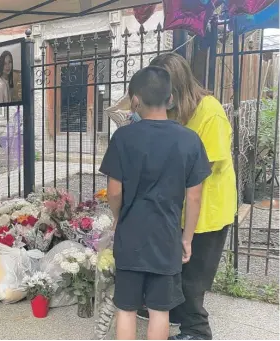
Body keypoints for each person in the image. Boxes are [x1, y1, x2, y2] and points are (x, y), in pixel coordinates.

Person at [99, 66, 211, 340]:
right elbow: (194, 196)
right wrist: (187, 239)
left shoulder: (123, 137)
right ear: (171, 98)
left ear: (134, 100)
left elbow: (114, 192)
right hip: (167, 238)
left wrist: (119, 217)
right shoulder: (189, 139)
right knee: (160, 311)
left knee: (125, 308)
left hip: (131, 236)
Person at [145, 53, 237, 340]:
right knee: (175, 268)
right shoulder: (173, 112)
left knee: (193, 276)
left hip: (209, 208)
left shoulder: (210, 111)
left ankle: (197, 331)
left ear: (178, 86)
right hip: (179, 206)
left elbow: (204, 166)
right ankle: (173, 312)